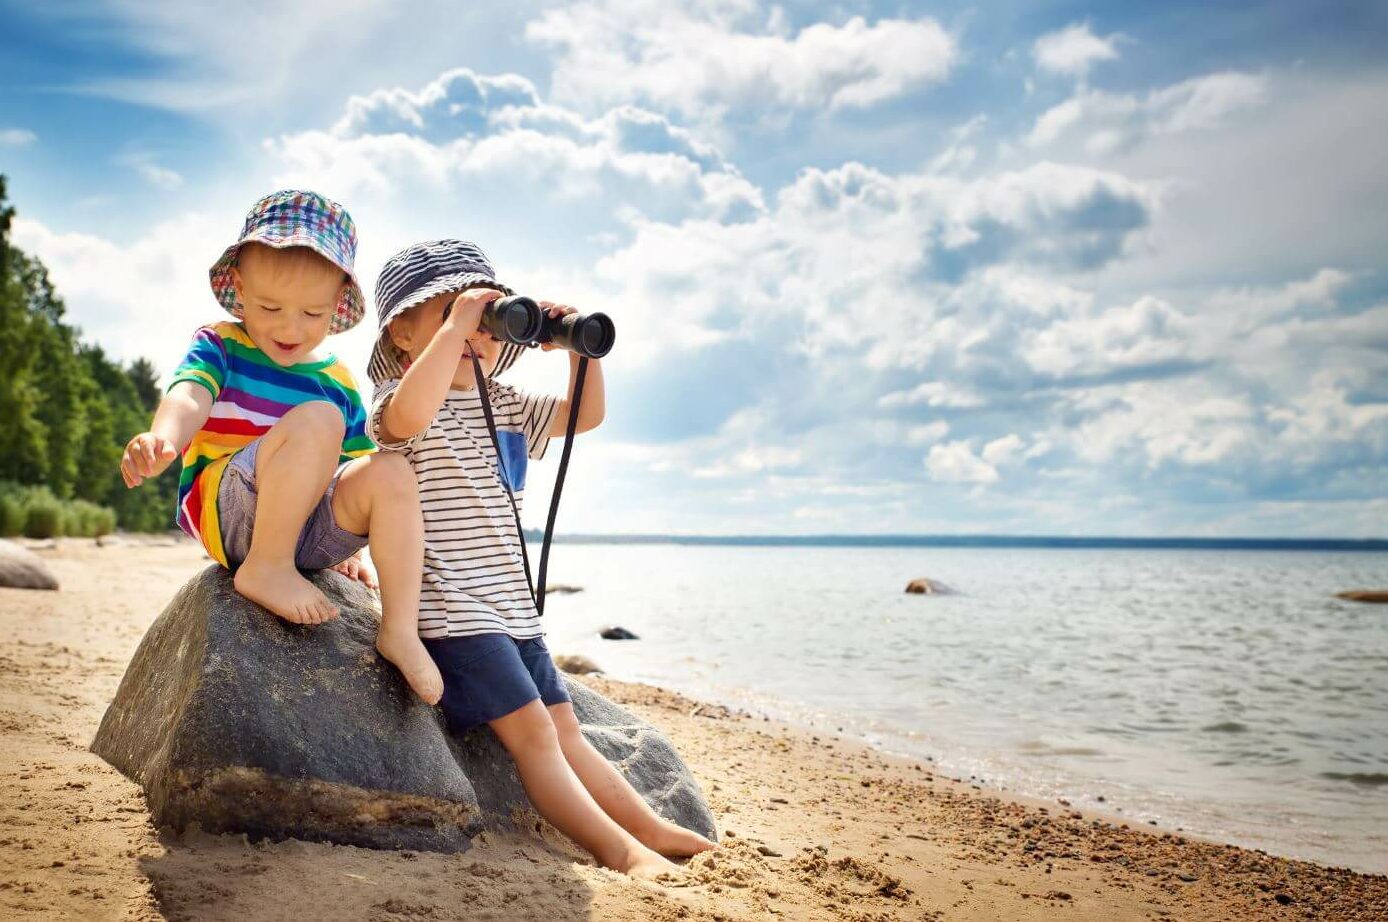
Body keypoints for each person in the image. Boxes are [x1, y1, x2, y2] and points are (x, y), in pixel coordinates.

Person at [367, 239, 715, 877]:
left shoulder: (507, 405)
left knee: (568, 732)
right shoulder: (397, 401)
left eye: (486, 321)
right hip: (453, 611)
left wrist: (577, 349)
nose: (473, 331)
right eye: (446, 313)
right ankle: (619, 851)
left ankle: (647, 827)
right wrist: (456, 327)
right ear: (401, 334)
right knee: (533, 737)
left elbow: (586, 415)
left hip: (513, 610)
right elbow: (407, 417)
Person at [118, 190, 443, 705]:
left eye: (312, 313)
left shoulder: (335, 377)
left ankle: (400, 627)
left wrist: (348, 548)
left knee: (391, 470)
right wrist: (165, 439)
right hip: (235, 509)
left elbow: (352, 471)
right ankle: (266, 567)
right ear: (240, 290)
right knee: (319, 421)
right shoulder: (222, 343)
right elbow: (190, 394)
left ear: (337, 305)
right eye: (270, 307)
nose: (290, 328)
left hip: (304, 528)